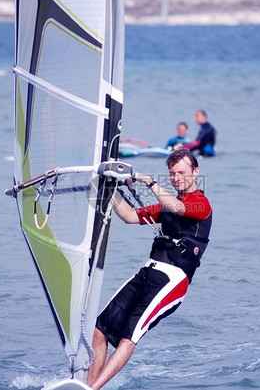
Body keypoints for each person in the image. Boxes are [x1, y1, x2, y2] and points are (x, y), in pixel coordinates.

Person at [87, 148, 212, 390]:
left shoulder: (201, 204)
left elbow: (177, 208)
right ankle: (87, 386)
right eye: (172, 173)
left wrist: (150, 181)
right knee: (99, 329)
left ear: (196, 172)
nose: (176, 178)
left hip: (173, 280)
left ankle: (93, 389)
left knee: (129, 335)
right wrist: (108, 185)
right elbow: (130, 216)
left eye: (182, 172)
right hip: (148, 272)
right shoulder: (166, 206)